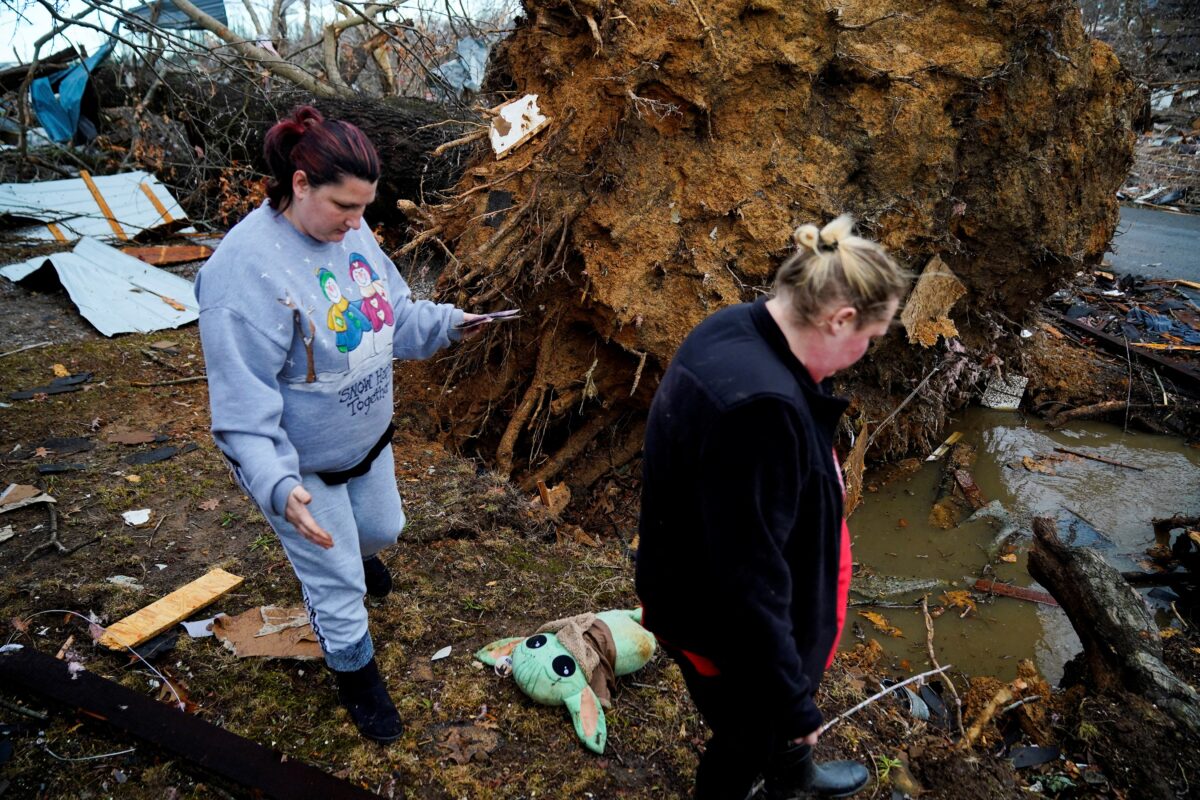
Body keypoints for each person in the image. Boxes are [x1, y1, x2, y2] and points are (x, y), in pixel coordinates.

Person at [196, 106, 488, 743]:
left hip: (364, 438)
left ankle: (354, 561)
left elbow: (394, 319)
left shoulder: (347, 232)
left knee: (384, 528)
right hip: (297, 467)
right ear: (299, 184)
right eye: (345, 207)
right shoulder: (241, 276)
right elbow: (240, 412)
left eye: (365, 208)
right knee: (338, 583)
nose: (359, 224)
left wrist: (449, 323)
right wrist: (276, 485)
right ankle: (356, 674)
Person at [635, 215, 911, 799]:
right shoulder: (760, 410)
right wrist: (793, 705)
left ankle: (791, 772)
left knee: (759, 729)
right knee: (745, 740)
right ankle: (764, 771)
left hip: (688, 588)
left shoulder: (739, 328)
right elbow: (748, 583)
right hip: (726, 633)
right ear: (840, 319)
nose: (866, 351)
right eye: (871, 336)